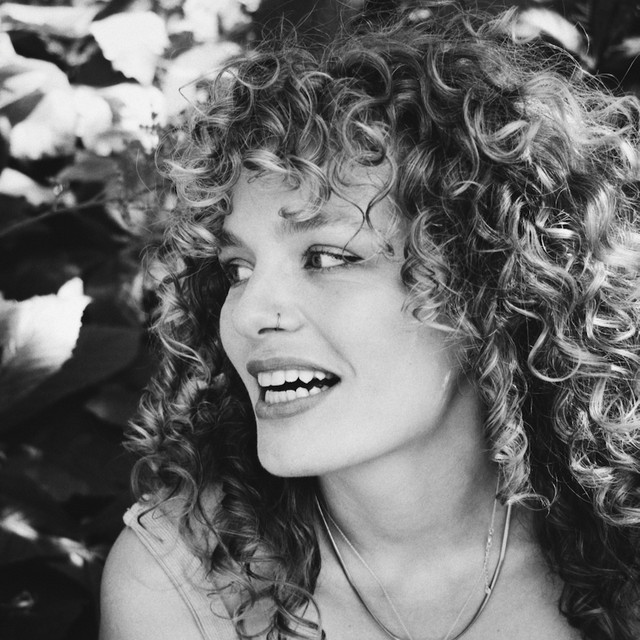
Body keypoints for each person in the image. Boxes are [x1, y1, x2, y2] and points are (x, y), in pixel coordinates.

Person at [99, 2, 640, 639]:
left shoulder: (623, 551)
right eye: (238, 268)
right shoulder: (179, 584)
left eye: (328, 257)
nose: (248, 313)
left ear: (492, 283)